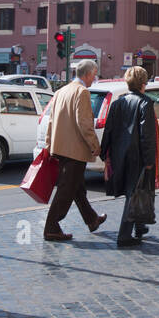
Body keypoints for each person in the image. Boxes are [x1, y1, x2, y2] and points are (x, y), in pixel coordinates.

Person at [42, 59, 108, 242]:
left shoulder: (62, 90)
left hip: (60, 148)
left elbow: (51, 120)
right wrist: (95, 145)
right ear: (87, 74)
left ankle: (92, 219)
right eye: (94, 75)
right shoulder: (82, 92)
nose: (94, 79)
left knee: (77, 188)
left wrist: (49, 144)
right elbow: (85, 123)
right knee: (67, 190)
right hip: (74, 150)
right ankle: (51, 227)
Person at [100, 66, 158, 247]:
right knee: (134, 192)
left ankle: (139, 227)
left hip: (119, 154)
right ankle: (124, 235)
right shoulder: (145, 103)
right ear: (143, 83)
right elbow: (146, 135)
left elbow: (108, 129)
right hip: (137, 155)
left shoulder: (118, 103)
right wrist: (149, 160)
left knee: (134, 191)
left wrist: (104, 153)